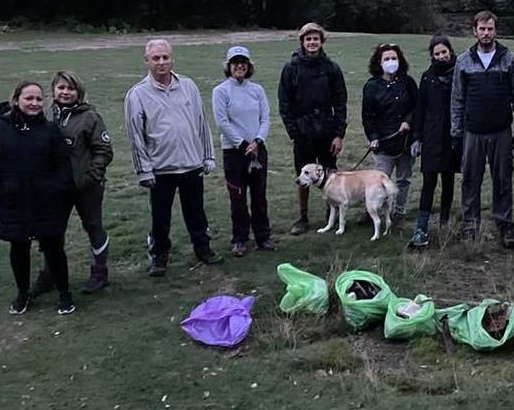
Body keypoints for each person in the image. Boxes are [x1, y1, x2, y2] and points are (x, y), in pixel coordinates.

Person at [0, 81, 76, 315]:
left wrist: (53, 189)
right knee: (19, 247)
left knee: (53, 248)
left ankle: (64, 294)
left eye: (39, 99)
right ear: (16, 100)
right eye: (29, 98)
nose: (34, 103)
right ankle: (23, 293)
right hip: (12, 201)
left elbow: (63, 164)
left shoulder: (50, 130)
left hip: (46, 202)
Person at [124, 39, 222, 277]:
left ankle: (203, 248)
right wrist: (144, 170)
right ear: (146, 61)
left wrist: (207, 156)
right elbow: (135, 135)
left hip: (191, 163)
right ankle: (159, 256)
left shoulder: (188, 85)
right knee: (160, 217)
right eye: (155, 58)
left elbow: (201, 122)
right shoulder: (137, 95)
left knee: (196, 212)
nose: (161, 62)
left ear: (172, 59)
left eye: (165, 57)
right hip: (160, 168)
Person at [30, 71, 114, 296]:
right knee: (51, 231)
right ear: (53, 90)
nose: (65, 92)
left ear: (79, 92)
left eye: (70, 88)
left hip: (86, 186)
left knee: (93, 226)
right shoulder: (44, 115)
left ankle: (100, 272)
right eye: (61, 88)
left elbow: (103, 150)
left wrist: (90, 176)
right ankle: (50, 273)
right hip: (54, 187)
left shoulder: (90, 117)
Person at [451, 10, 514, 249]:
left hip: (501, 130)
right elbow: (457, 99)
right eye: (482, 29)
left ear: (496, 31)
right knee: (471, 179)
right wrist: (456, 132)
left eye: (490, 28)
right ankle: (470, 223)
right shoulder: (464, 60)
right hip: (473, 131)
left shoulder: (509, 59)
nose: (486, 33)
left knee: (502, 179)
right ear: (474, 31)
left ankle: (504, 223)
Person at [277, 23, 347, 235]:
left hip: (326, 131)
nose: (312, 42)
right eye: (308, 39)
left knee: (329, 173)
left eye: (315, 38)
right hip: (303, 131)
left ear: (321, 41)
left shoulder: (331, 68)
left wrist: (338, 134)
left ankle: (331, 215)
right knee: (303, 174)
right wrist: (294, 131)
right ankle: (303, 217)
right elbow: (284, 103)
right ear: (302, 42)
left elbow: (341, 102)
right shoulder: (291, 68)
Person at [212, 45, 275, 257]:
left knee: (259, 196)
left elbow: (265, 118)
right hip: (234, 153)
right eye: (235, 63)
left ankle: (263, 236)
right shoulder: (220, 91)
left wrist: (257, 141)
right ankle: (239, 238)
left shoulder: (257, 90)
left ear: (248, 66)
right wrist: (241, 144)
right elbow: (222, 122)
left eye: (243, 63)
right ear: (228, 66)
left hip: (257, 149)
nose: (239, 66)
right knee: (238, 198)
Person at [409, 35, 462, 248]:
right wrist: (417, 137)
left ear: (450, 51)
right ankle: (421, 228)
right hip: (431, 136)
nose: (441, 56)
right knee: (429, 182)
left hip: (452, 135)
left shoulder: (460, 73)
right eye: (437, 53)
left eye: (444, 52)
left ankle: (444, 222)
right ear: (432, 56)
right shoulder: (427, 77)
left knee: (448, 180)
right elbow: (420, 109)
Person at [362, 43, 419, 227]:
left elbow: (417, 107)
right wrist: (373, 137)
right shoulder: (371, 86)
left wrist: (408, 122)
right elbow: (367, 116)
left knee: (403, 179)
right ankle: (373, 212)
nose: (390, 62)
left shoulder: (408, 83)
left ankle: (399, 213)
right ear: (379, 62)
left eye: (393, 58)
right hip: (383, 143)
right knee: (378, 181)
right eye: (386, 59)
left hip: (405, 141)